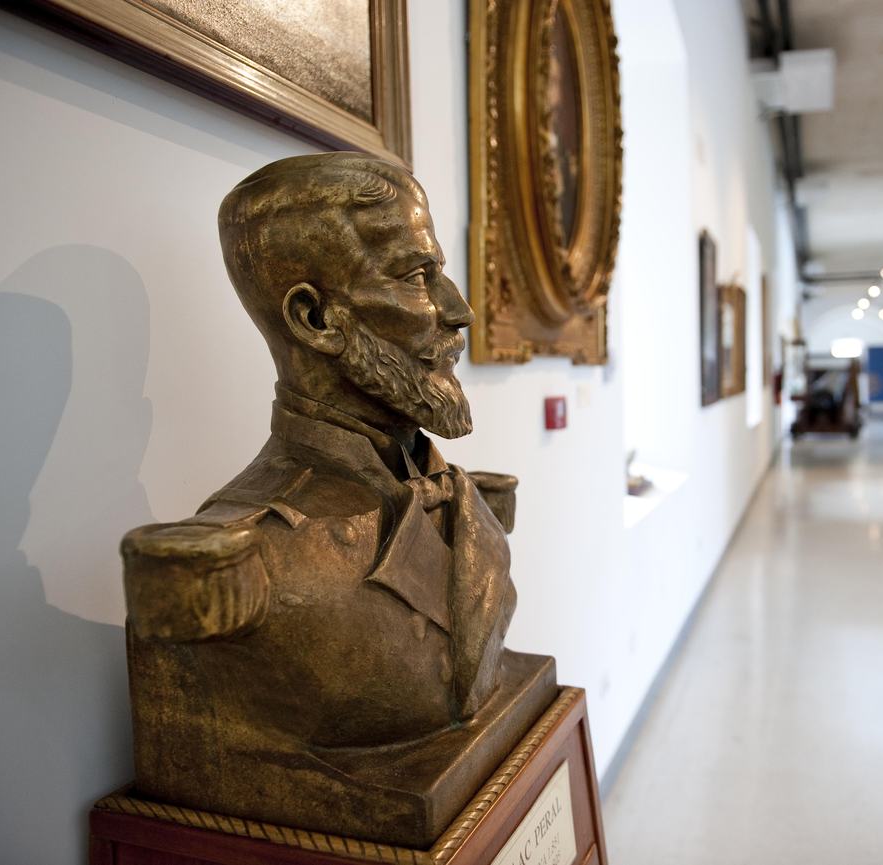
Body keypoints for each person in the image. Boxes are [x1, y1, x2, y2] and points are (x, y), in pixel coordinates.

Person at [120, 154, 556, 847]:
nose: (458, 309)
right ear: (316, 317)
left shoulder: (459, 495)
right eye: (418, 277)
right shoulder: (246, 562)